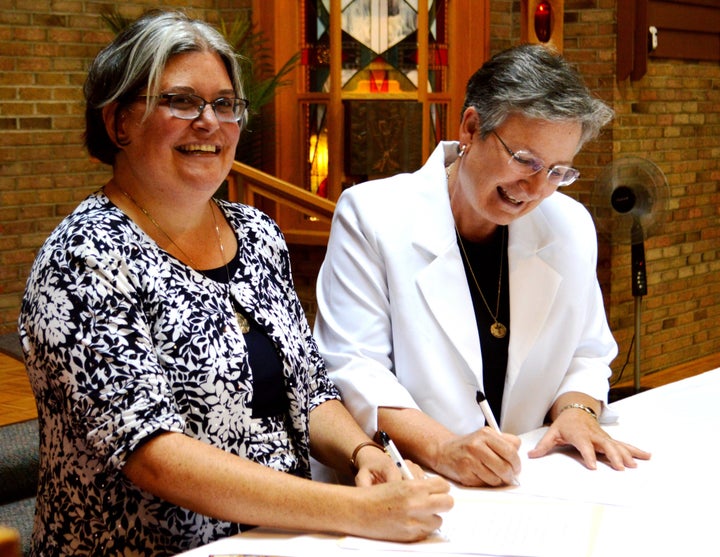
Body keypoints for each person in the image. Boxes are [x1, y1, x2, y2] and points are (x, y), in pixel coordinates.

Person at [18, 11, 452, 556]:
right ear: (118, 123)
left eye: (225, 104)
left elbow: (310, 390)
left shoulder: (257, 233)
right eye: (180, 101)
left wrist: (365, 454)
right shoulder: (84, 258)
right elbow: (151, 451)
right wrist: (353, 511)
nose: (209, 123)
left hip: (279, 541)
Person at [314, 44, 651, 488]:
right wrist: (442, 447)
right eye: (525, 161)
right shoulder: (372, 215)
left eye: (557, 172)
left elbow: (587, 352)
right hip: (408, 481)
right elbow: (353, 368)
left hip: (525, 481)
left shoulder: (569, 226)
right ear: (471, 128)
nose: (533, 188)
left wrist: (577, 410)